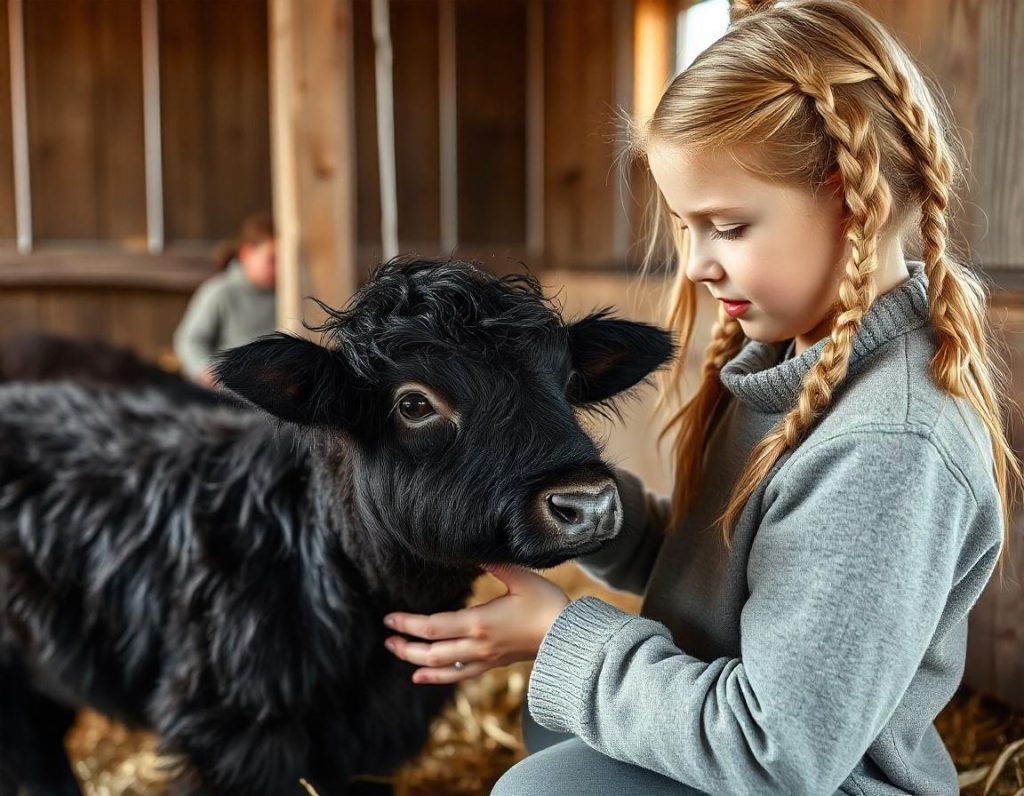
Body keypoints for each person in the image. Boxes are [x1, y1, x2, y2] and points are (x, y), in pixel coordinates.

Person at [380, 1, 1020, 793]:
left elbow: (777, 749)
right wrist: (580, 504)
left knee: (538, 787)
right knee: (557, 722)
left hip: (818, 777)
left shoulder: (890, 443)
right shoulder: (790, 366)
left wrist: (560, 634)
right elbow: (724, 583)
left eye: (727, 226)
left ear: (856, 205)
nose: (694, 265)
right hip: (754, 747)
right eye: (684, 227)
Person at [173, 212, 278, 388]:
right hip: (230, 394)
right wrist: (208, 373)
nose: (279, 268)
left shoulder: (289, 295)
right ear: (246, 254)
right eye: (272, 259)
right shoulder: (220, 292)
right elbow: (189, 341)